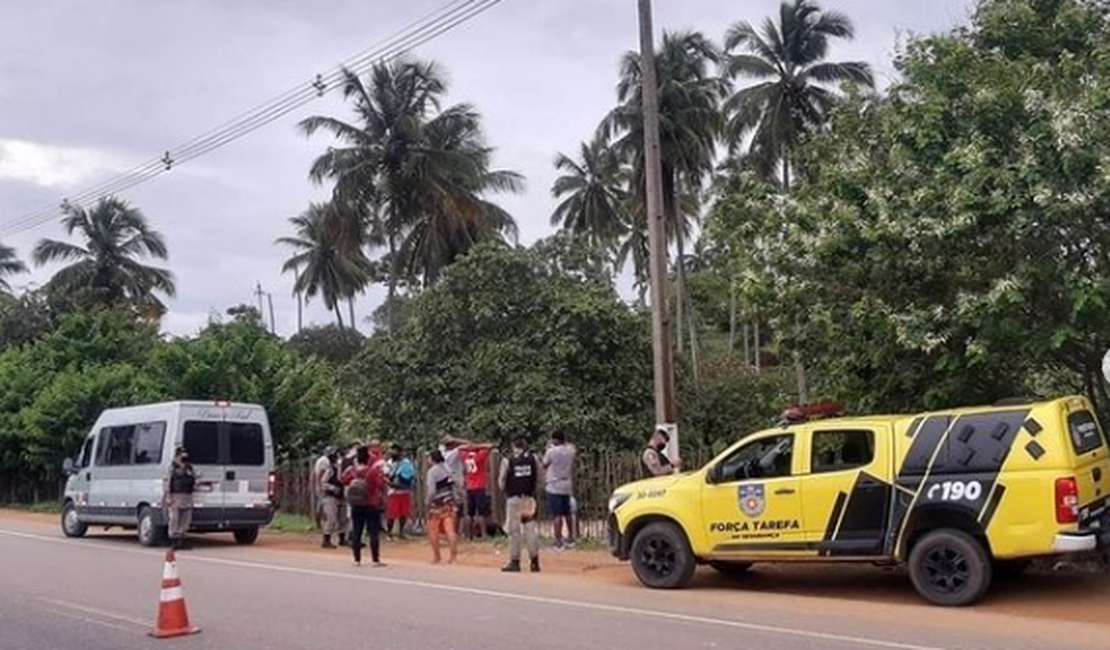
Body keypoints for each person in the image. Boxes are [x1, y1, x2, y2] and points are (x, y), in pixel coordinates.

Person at [499, 438, 540, 573]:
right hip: (528, 498)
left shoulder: (508, 460)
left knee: (514, 532)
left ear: (513, 446)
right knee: (530, 530)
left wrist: (505, 491)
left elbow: (501, 481)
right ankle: (534, 562)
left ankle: (515, 561)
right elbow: (540, 477)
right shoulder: (533, 459)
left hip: (514, 500)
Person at [341, 446, 386, 567]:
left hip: (356, 504)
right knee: (373, 532)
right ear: (368, 459)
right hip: (371, 504)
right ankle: (375, 560)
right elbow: (380, 484)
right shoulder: (372, 471)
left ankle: (357, 560)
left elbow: (343, 480)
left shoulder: (353, 471)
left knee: (357, 531)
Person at [542, 431, 577, 550]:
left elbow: (544, 464)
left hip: (554, 484)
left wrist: (549, 447)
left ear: (555, 440)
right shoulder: (570, 450)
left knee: (556, 514)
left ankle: (558, 540)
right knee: (567, 513)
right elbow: (571, 446)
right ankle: (571, 538)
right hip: (566, 483)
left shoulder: (551, 451)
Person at [425, 449, 459, 564]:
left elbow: (431, 491)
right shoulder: (448, 469)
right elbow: (454, 485)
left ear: (433, 459)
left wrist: (428, 502)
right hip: (449, 502)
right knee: (450, 530)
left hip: (437, 505)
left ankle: (437, 557)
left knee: (433, 530)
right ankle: (453, 557)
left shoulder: (432, 472)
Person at [163, 447, 197, 550]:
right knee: (175, 519)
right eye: (183, 454)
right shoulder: (172, 467)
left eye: (186, 453)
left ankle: (182, 540)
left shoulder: (189, 467)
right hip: (175, 496)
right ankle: (173, 541)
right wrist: (168, 496)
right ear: (178, 455)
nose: (185, 456)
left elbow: (194, 479)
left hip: (187, 496)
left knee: (185, 520)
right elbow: (167, 482)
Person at [460, 441, 495, 539]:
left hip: (469, 486)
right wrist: (477, 445)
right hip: (479, 486)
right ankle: (484, 534)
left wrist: (469, 446)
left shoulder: (465, 456)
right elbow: (490, 445)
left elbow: (460, 448)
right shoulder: (479, 456)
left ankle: (469, 535)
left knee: (470, 513)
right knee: (481, 512)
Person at [319, 447, 349, 549]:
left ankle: (342, 539)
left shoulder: (341, 468)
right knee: (331, 519)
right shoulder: (330, 469)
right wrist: (333, 488)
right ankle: (326, 540)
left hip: (341, 496)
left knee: (343, 519)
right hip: (330, 496)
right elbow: (323, 482)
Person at [385, 444, 415, 539]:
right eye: (392, 450)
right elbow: (386, 475)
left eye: (395, 451)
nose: (393, 453)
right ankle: (389, 533)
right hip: (393, 492)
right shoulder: (389, 463)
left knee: (404, 513)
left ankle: (401, 532)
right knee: (391, 514)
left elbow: (410, 477)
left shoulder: (406, 463)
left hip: (404, 491)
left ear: (400, 452)